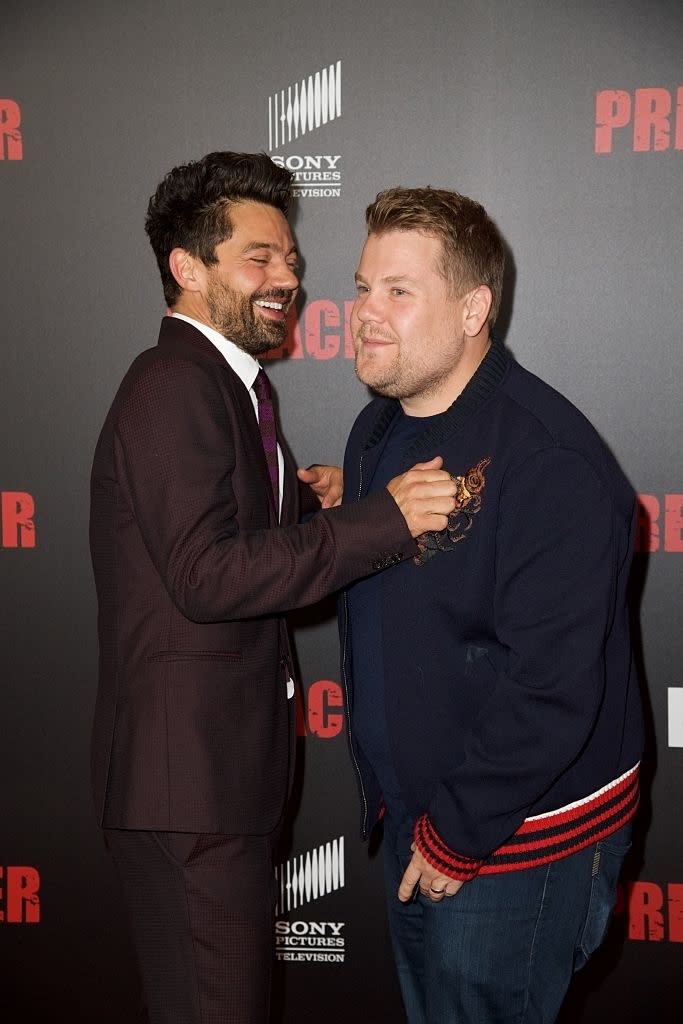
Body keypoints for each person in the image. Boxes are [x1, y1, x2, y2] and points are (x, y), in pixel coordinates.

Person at [89, 152, 458, 1024]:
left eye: (290, 259)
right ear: (188, 267)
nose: (286, 278)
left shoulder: (226, 386)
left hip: (216, 783)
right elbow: (206, 574)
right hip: (191, 793)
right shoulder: (174, 382)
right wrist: (382, 522)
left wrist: (305, 498)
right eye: (258, 257)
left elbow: (228, 538)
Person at [340, 185, 644, 1024]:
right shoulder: (373, 433)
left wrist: (456, 833)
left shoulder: (550, 461)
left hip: (512, 839)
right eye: (363, 285)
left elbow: (551, 687)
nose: (365, 311)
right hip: (416, 817)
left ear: (473, 308)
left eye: (399, 291)